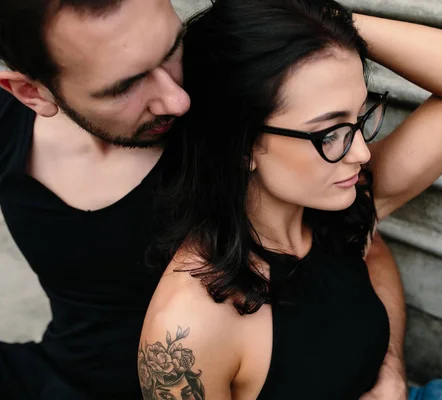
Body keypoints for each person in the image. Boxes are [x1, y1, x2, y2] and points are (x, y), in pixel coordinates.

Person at [0, 1, 406, 398]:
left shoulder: (232, 125)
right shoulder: (8, 126)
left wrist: (316, 22)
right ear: (30, 92)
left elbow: (362, 243)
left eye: (173, 48)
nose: (178, 99)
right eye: (124, 86)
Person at [139, 0, 442, 399]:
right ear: (240, 145)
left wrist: (324, 22)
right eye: (330, 133)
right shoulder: (188, 332)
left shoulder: (340, 202)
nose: (361, 153)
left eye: (358, 119)